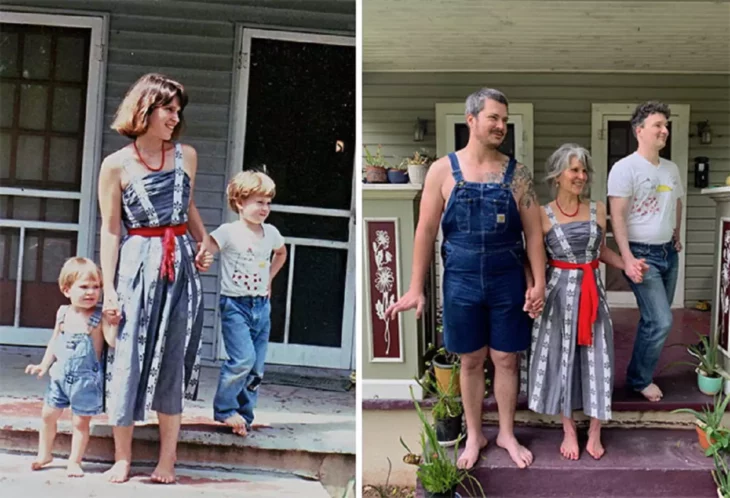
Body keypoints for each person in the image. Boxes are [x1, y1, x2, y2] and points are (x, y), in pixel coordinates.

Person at [386, 88, 545, 470]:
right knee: (470, 360)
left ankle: (506, 431)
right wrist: (414, 287)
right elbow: (425, 230)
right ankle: (475, 434)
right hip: (461, 278)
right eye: (494, 118)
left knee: (507, 357)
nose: (501, 126)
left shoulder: (517, 173)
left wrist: (538, 282)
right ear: (471, 119)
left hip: (508, 276)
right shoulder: (442, 170)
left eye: (505, 120)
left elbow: (534, 233)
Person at [98, 73, 213, 484]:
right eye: (169, 109)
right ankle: (123, 457)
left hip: (179, 263)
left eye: (178, 111)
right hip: (136, 264)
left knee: (172, 360)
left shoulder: (188, 156)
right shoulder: (115, 165)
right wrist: (109, 289)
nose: (175, 118)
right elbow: (111, 229)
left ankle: (167, 460)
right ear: (145, 110)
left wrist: (205, 242)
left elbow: (188, 206)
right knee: (127, 357)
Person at [525, 144, 647, 461]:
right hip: (558, 296)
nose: (581, 176)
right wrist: (533, 288)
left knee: (597, 356)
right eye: (574, 170)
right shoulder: (542, 213)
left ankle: (594, 429)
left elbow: (599, 252)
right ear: (557, 175)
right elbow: (532, 257)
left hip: (592, 292)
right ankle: (568, 428)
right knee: (564, 359)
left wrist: (627, 265)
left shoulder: (597, 209)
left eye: (584, 171)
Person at [607, 101, 684, 403]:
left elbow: (675, 201)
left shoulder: (671, 168)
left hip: (668, 253)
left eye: (666, 125)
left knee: (653, 319)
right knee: (662, 320)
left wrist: (675, 233)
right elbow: (617, 216)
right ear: (640, 131)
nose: (665, 130)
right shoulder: (624, 168)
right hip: (642, 255)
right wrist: (626, 258)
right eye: (658, 125)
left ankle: (639, 373)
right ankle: (639, 379)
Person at [201, 170, 287, 436]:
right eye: (259, 202)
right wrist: (203, 259)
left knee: (256, 366)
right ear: (240, 202)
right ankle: (225, 409)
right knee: (242, 360)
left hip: (261, 306)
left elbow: (281, 254)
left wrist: (269, 278)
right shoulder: (229, 231)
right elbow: (208, 250)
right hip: (235, 306)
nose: (265, 208)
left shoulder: (271, 233)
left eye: (268, 202)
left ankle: (244, 416)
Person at [25, 257, 116, 477]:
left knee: (79, 422)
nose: (90, 292)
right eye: (84, 287)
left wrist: (112, 322)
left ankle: (74, 461)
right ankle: (45, 454)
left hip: (86, 381)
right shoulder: (63, 313)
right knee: (48, 415)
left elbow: (111, 342)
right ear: (66, 290)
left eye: (96, 287)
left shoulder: (98, 315)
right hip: (59, 376)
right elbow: (55, 341)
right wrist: (44, 365)